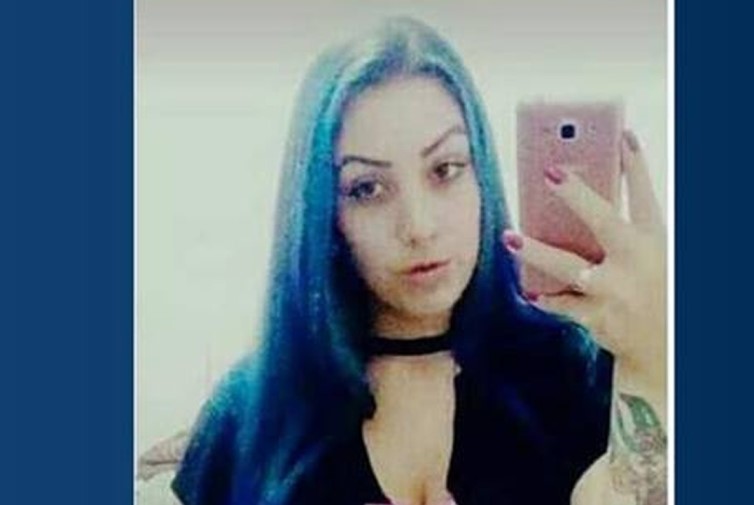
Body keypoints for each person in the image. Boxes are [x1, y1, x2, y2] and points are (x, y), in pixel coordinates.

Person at [171, 16, 667, 505]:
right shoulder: (249, 411)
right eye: (368, 189)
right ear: (325, 214)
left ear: (480, 172)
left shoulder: (571, 369)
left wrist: (653, 357)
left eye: (445, 169)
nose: (419, 225)